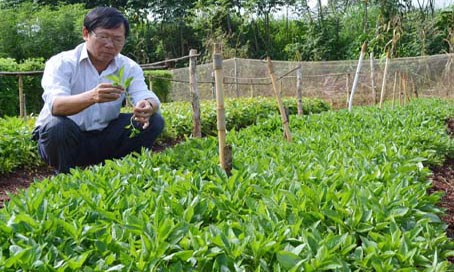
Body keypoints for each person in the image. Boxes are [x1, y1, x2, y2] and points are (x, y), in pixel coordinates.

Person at [32, 7, 165, 174]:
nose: (110, 45)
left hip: (103, 137)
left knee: (154, 121)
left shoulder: (129, 67)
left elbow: (145, 95)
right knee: (58, 126)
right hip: (65, 140)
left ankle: (118, 171)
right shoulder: (61, 63)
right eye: (103, 37)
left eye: (117, 39)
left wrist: (147, 106)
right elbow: (56, 106)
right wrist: (92, 96)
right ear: (86, 33)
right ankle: (64, 173)